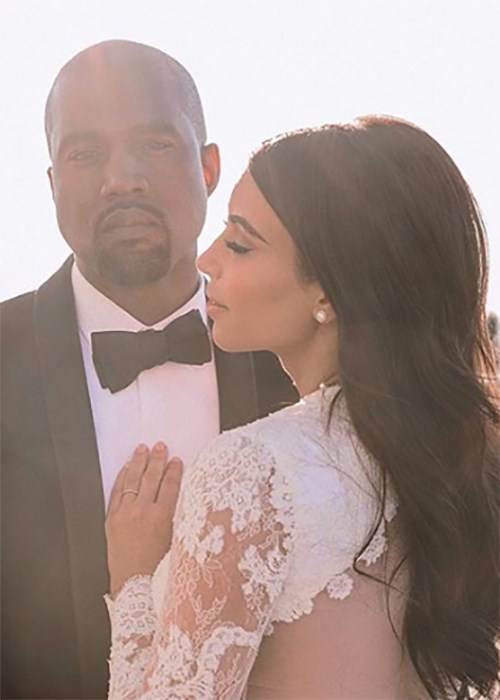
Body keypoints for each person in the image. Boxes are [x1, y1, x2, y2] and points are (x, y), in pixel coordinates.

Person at [105, 117, 499, 699]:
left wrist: (136, 581)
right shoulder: (468, 456)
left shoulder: (254, 471)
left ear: (329, 291)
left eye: (240, 243)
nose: (206, 259)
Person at [0, 40, 296, 700]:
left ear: (208, 167)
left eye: (154, 144)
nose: (121, 178)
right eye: (85, 154)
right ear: (52, 184)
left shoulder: (297, 358)